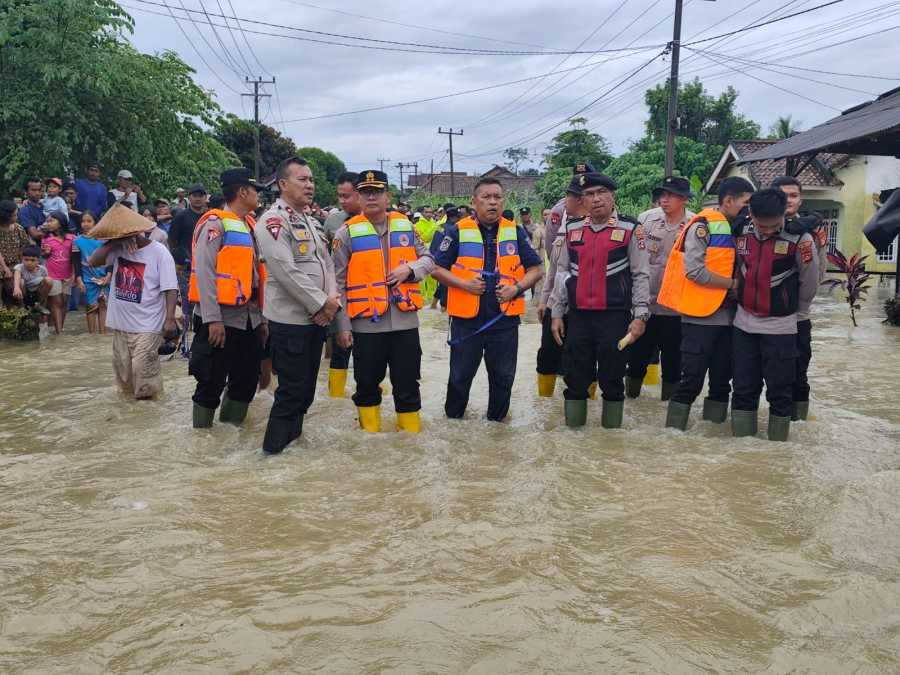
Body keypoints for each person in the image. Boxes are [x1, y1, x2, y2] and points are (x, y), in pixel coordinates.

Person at [431, 177, 544, 421]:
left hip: (504, 323)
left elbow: (537, 269)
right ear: (474, 202)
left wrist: (516, 287)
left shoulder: (514, 231)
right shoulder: (457, 231)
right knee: (459, 379)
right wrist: (464, 284)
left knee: (503, 379)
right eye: (486, 197)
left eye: (497, 197)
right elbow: (435, 268)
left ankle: (497, 433)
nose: (493, 202)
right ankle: (453, 428)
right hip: (465, 322)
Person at [332, 170, 435, 432]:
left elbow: (429, 260)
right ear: (358, 197)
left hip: (405, 324)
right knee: (366, 386)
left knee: (408, 385)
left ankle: (409, 444)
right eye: (366, 192)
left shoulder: (406, 227)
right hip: (366, 326)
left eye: (377, 192)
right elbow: (338, 284)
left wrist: (410, 270)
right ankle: (370, 443)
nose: (371, 197)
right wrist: (342, 326)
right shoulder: (346, 234)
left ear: (388, 195)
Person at [548, 173, 651, 428]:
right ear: (582, 200)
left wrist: (640, 317)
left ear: (612, 195)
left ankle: (611, 442)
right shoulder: (572, 229)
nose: (596, 199)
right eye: (589, 195)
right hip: (579, 316)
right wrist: (557, 313)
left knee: (613, 379)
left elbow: (640, 275)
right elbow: (562, 273)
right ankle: (574, 441)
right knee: (574, 378)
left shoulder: (631, 229)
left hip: (614, 317)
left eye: (601, 193)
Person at [255, 157, 340, 454]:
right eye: (302, 179)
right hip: (291, 322)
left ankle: (292, 449)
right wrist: (322, 305)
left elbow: (327, 263)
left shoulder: (311, 221)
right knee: (290, 393)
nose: (310, 185)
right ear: (282, 184)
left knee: (305, 393)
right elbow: (284, 271)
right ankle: (272, 456)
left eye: (311, 179)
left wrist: (331, 301)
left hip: (317, 319)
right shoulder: (272, 221)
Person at [658, 176, 754, 431]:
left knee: (722, 381)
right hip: (700, 318)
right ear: (728, 201)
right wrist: (733, 285)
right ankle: (672, 436)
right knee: (691, 381)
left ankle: (712, 437)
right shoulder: (703, 226)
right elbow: (694, 272)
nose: (749, 209)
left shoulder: (743, 228)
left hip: (731, 319)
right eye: (745, 203)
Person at [731, 188, 818, 441]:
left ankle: (777, 449)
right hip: (743, 324)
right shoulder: (741, 231)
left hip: (781, 327)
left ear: (784, 215)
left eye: (773, 225)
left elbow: (809, 282)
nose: (767, 231)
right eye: (761, 225)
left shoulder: (800, 239)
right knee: (744, 388)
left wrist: (795, 314)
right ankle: (744, 450)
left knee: (780, 391)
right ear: (750, 214)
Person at [187, 168, 267, 428]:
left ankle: (231, 436)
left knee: (245, 381)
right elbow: (205, 273)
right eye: (256, 190)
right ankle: (203, 441)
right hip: (220, 318)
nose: (259, 195)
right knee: (210, 381)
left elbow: (257, 275)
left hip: (250, 319)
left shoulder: (252, 226)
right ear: (243, 192)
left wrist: (262, 320)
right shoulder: (215, 224)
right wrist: (213, 319)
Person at [88, 204, 179, 399]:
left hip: (149, 323)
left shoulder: (159, 252)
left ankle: (149, 416)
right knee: (124, 378)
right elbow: (93, 262)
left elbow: (170, 288)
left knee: (143, 371)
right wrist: (113, 244)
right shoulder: (117, 249)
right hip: (122, 324)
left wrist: (170, 319)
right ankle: (130, 420)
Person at [625, 176, 695, 400]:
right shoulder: (646, 220)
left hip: (677, 309)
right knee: (636, 360)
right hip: (647, 307)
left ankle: (668, 411)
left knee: (674, 365)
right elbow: (635, 262)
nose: (664, 200)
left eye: (670, 195)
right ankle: (632, 402)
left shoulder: (696, 224)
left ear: (684, 199)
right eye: (662, 195)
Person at [772, 176, 829, 422]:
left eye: (793, 196)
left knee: (798, 374)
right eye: (783, 196)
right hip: (758, 316)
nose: (788, 201)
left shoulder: (812, 230)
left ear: (800, 199)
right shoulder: (755, 224)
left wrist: (800, 309)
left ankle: (799, 425)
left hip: (797, 317)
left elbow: (818, 273)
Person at [536, 175, 587, 397]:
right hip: (556, 302)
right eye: (568, 194)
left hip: (584, 307)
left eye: (573, 196)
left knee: (581, 360)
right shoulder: (562, 224)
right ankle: (545, 406)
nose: (568, 199)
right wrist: (544, 299)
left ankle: (587, 404)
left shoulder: (606, 229)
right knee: (547, 354)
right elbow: (554, 269)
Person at [321, 172, 360, 397]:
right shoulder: (333, 221)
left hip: (371, 297)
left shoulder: (378, 219)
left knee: (372, 352)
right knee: (340, 347)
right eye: (340, 196)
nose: (343, 201)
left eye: (347, 196)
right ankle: (335, 398)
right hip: (341, 293)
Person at [168, 184, 208, 320]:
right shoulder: (181, 216)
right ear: (189, 198)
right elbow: (172, 240)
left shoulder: (210, 216)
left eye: (200, 196)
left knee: (204, 298)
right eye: (194, 196)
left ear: (205, 197)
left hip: (206, 264)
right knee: (187, 298)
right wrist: (179, 259)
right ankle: (186, 327)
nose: (198, 199)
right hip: (186, 265)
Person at [72, 211, 111, 335]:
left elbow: (111, 259)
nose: (86, 224)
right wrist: (79, 280)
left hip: (104, 276)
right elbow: (76, 262)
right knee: (91, 307)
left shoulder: (104, 240)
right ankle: (92, 335)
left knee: (103, 305)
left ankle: (103, 334)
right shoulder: (76, 241)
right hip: (88, 277)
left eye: (89, 221)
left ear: (96, 222)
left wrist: (109, 275)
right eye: (83, 221)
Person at [41, 211, 77, 334]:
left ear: (61, 222)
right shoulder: (46, 239)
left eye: (51, 221)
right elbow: (44, 257)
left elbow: (75, 257)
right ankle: (59, 334)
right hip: (52, 274)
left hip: (68, 275)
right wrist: (45, 253)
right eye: (47, 221)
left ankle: (58, 328)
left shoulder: (72, 238)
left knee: (65, 303)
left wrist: (75, 275)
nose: (48, 223)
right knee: (57, 302)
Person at [0, 200, 30, 307]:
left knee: (19, 286)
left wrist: (21, 268)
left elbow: (24, 248)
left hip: (15, 265)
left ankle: (22, 315)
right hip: (2, 265)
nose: (16, 217)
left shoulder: (19, 229)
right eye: (14, 215)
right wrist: (5, 268)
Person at [12, 246, 52, 311]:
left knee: (49, 280)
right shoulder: (20, 267)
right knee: (20, 281)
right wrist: (16, 287)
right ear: (22, 259)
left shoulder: (42, 269)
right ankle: (21, 306)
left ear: (38, 260)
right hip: (24, 293)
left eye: (32, 260)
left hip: (37, 293)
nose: (29, 263)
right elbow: (17, 274)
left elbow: (46, 284)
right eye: (26, 260)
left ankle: (40, 305)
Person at [19, 178, 47, 242]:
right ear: (26, 192)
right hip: (38, 248)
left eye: (39, 190)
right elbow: (35, 235)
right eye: (34, 190)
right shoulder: (25, 211)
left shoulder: (47, 205)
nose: (37, 193)